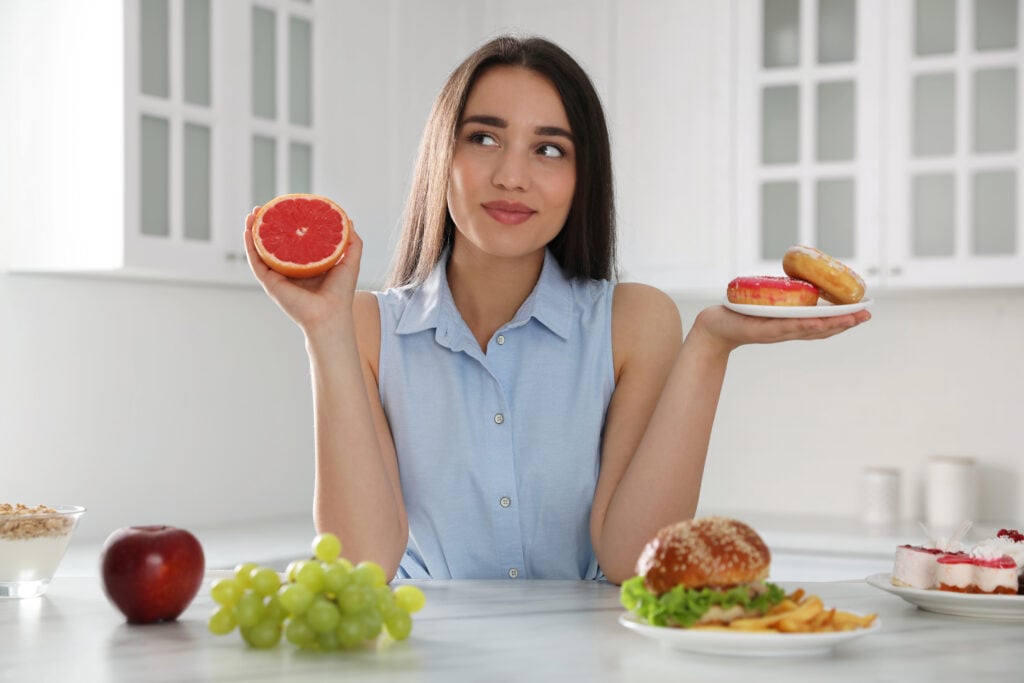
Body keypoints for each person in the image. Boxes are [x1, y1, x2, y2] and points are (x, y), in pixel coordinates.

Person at [244, 35, 870, 584]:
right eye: (484, 137)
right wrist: (324, 333)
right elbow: (360, 566)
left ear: (582, 177)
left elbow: (632, 560)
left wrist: (710, 344)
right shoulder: (364, 327)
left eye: (549, 150)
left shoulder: (635, 322)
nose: (512, 176)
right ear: (443, 156)